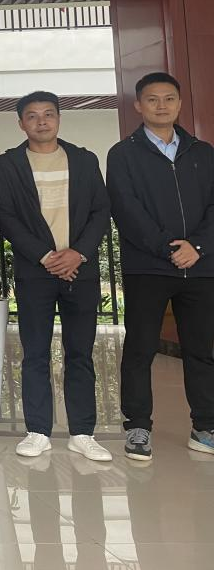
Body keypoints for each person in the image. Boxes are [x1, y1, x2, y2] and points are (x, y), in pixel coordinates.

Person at [0, 91, 112, 461]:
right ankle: (37, 431)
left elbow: (101, 210)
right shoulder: (8, 164)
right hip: (35, 272)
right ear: (21, 123)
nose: (41, 121)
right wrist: (44, 256)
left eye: (48, 114)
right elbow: (5, 216)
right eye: (32, 115)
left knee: (80, 353)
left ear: (59, 119)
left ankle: (82, 433)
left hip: (80, 269)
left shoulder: (84, 160)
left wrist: (78, 253)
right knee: (35, 353)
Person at [107, 72, 214, 460]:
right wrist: (169, 248)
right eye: (152, 99)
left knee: (202, 350)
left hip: (200, 267)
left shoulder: (203, 152)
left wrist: (197, 247)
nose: (162, 105)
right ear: (138, 105)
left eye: (169, 98)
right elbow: (126, 209)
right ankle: (138, 427)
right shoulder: (123, 154)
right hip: (148, 267)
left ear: (180, 104)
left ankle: (205, 427)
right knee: (140, 349)